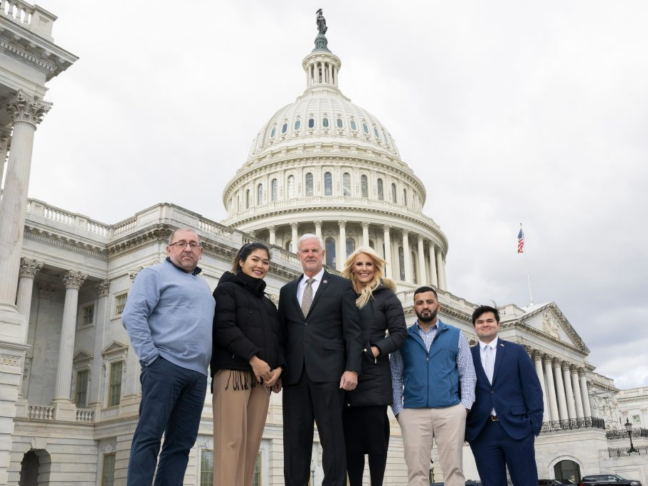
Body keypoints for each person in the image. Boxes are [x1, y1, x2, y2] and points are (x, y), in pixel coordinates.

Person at [122, 228, 214, 486]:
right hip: (164, 367)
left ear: (201, 252)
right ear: (169, 249)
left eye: (193, 244)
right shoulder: (154, 274)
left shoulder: (203, 285)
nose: (188, 249)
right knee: (149, 436)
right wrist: (151, 358)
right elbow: (133, 316)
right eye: (181, 243)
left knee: (181, 444)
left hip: (197, 375)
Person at [279, 234, 362, 486]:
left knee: (332, 438)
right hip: (295, 376)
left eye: (315, 250)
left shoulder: (341, 286)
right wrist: (280, 368)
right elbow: (282, 334)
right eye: (305, 251)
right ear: (298, 255)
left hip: (329, 373)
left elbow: (353, 332)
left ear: (323, 254)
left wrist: (352, 369)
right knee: (294, 440)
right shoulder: (287, 290)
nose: (310, 254)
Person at [211, 242, 284, 486]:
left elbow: (277, 339)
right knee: (230, 442)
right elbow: (223, 328)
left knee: (251, 444)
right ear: (241, 261)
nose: (260, 266)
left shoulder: (268, 303)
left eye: (265, 262)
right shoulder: (226, 291)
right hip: (234, 373)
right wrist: (253, 358)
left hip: (262, 380)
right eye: (255, 259)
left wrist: (279, 368)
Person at [390, 286, 476, 486]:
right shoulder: (403, 338)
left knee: (454, 471)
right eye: (420, 302)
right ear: (414, 307)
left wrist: (465, 408)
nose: (425, 306)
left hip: (450, 410)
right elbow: (395, 376)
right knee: (416, 472)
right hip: (413, 412)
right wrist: (398, 411)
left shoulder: (456, 335)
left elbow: (468, 373)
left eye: (429, 302)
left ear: (438, 305)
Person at [341, 247, 407, 486]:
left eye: (369, 264)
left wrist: (375, 350)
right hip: (346, 375)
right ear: (352, 267)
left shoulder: (386, 296)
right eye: (359, 264)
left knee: (376, 445)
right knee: (352, 447)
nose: (364, 269)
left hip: (373, 375)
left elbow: (400, 333)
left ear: (376, 267)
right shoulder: (342, 294)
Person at [466, 305, 543, 486]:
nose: (485, 325)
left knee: (526, 482)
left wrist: (533, 424)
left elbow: (533, 389)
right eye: (480, 322)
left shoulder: (516, 351)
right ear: (475, 327)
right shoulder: (467, 356)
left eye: (489, 321)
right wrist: (467, 429)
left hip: (517, 428)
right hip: (482, 431)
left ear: (498, 325)